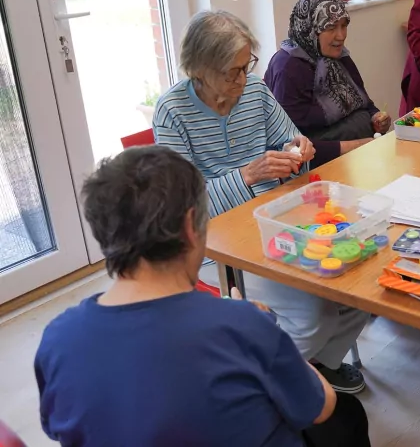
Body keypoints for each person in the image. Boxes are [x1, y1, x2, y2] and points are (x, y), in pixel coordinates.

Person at [34, 146, 371, 447]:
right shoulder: (244, 326)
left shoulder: (57, 339)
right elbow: (321, 406)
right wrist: (264, 331)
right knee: (346, 416)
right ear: (190, 225)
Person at [154, 10, 369, 394]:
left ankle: (318, 364)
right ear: (200, 69)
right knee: (311, 312)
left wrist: (297, 149)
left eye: (246, 65)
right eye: (232, 71)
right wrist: (248, 176)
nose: (243, 78)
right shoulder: (172, 112)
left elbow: (290, 139)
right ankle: (261, 388)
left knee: (359, 287)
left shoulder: (254, 90)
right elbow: (181, 207)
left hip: (278, 221)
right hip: (215, 246)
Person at [265, 0, 390, 167]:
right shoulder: (288, 68)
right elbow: (289, 146)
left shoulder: (339, 57)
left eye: (344, 25)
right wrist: (356, 146)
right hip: (321, 167)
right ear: (310, 29)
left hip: (360, 158)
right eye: (331, 28)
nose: (341, 36)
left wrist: (376, 118)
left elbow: (365, 103)